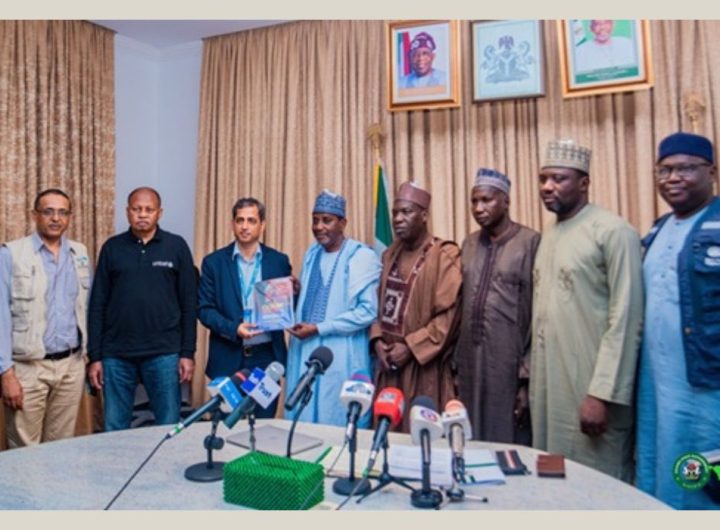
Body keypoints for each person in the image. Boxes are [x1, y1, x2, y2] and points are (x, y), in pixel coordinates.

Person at [530, 139, 643, 482]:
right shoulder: (549, 234)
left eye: (559, 179)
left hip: (591, 390)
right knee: (553, 480)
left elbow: (626, 319)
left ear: (584, 183)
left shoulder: (613, 231)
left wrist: (601, 394)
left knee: (597, 484)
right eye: (543, 178)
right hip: (551, 386)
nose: (548, 187)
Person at [636, 132, 720, 509]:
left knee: (702, 473)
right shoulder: (656, 230)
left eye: (685, 168)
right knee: (660, 463)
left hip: (705, 384)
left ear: (712, 172)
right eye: (665, 169)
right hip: (655, 383)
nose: (673, 177)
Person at [87, 187, 197, 431]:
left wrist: (187, 353)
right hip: (116, 354)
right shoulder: (112, 248)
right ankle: (119, 470)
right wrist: (95, 356)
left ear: (160, 213)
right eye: (137, 209)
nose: (142, 215)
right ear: (128, 212)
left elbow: (189, 305)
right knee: (114, 427)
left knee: (167, 426)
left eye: (149, 209)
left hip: (164, 353)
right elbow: (97, 305)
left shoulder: (176, 246)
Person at [0, 189, 91, 448]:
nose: (55, 218)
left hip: (71, 366)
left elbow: (85, 308)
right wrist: (6, 374)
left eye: (63, 212)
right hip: (27, 369)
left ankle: (54, 491)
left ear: (70, 217)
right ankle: (24, 491)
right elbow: (1, 317)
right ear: (34, 215)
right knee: (24, 449)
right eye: (48, 211)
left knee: (61, 448)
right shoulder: (10, 254)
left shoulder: (79, 253)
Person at [455, 169, 540, 444]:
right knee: (469, 442)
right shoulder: (467, 244)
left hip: (509, 367)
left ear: (506, 201)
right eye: (474, 201)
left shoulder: (530, 243)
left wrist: (525, 378)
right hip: (469, 366)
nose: (479, 208)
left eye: (487, 200)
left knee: (509, 445)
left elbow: (538, 315)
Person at [370, 181, 461, 433]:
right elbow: (375, 305)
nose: (398, 219)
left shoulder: (445, 255)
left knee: (420, 438)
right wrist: (377, 340)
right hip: (388, 366)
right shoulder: (389, 254)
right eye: (395, 213)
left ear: (423, 215)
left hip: (423, 369)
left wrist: (410, 347)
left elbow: (449, 317)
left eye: (406, 212)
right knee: (385, 438)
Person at [285, 190, 381, 426]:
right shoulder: (312, 253)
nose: (319, 226)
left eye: (326, 220)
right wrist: (298, 292)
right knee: (302, 421)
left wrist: (320, 328)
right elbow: (314, 301)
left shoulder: (361, 256)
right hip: (306, 351)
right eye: (315, 219)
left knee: (335, 422)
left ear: (343, 223)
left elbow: (367, 312)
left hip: (341, 355)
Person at [198, 197, 291, 419]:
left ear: (262, 225)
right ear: (232, 224)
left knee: (261, 424)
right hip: (229, 356)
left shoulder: (278, 261)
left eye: (251, 220)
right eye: (240, 220)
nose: (245, 226)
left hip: (265, 358)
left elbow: (286, 306)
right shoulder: (214, 263)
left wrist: (292, 293)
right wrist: (234, 328)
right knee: (225, 422)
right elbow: (204, 309)